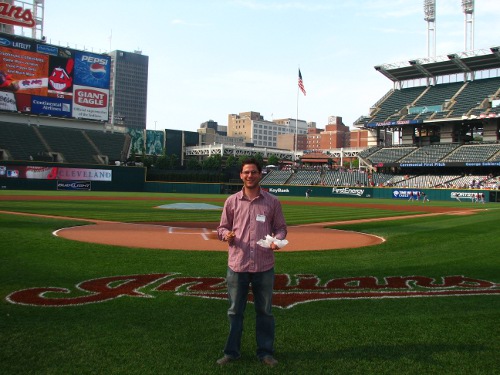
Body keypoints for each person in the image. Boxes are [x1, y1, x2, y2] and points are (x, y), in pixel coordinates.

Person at [216, 157, 287, 368]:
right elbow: (221, 228)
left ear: (260, 174)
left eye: (253, 172)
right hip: (237, 265)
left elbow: (281, 227)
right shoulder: (231, 201)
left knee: (264, 312)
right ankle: (231, 352)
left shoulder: (272, 201)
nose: (250, 176)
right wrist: (225, 234)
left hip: (263, 265)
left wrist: (277, 240)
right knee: (234, 311)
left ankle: (265, 353)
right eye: (246, 172)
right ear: (241, 175)